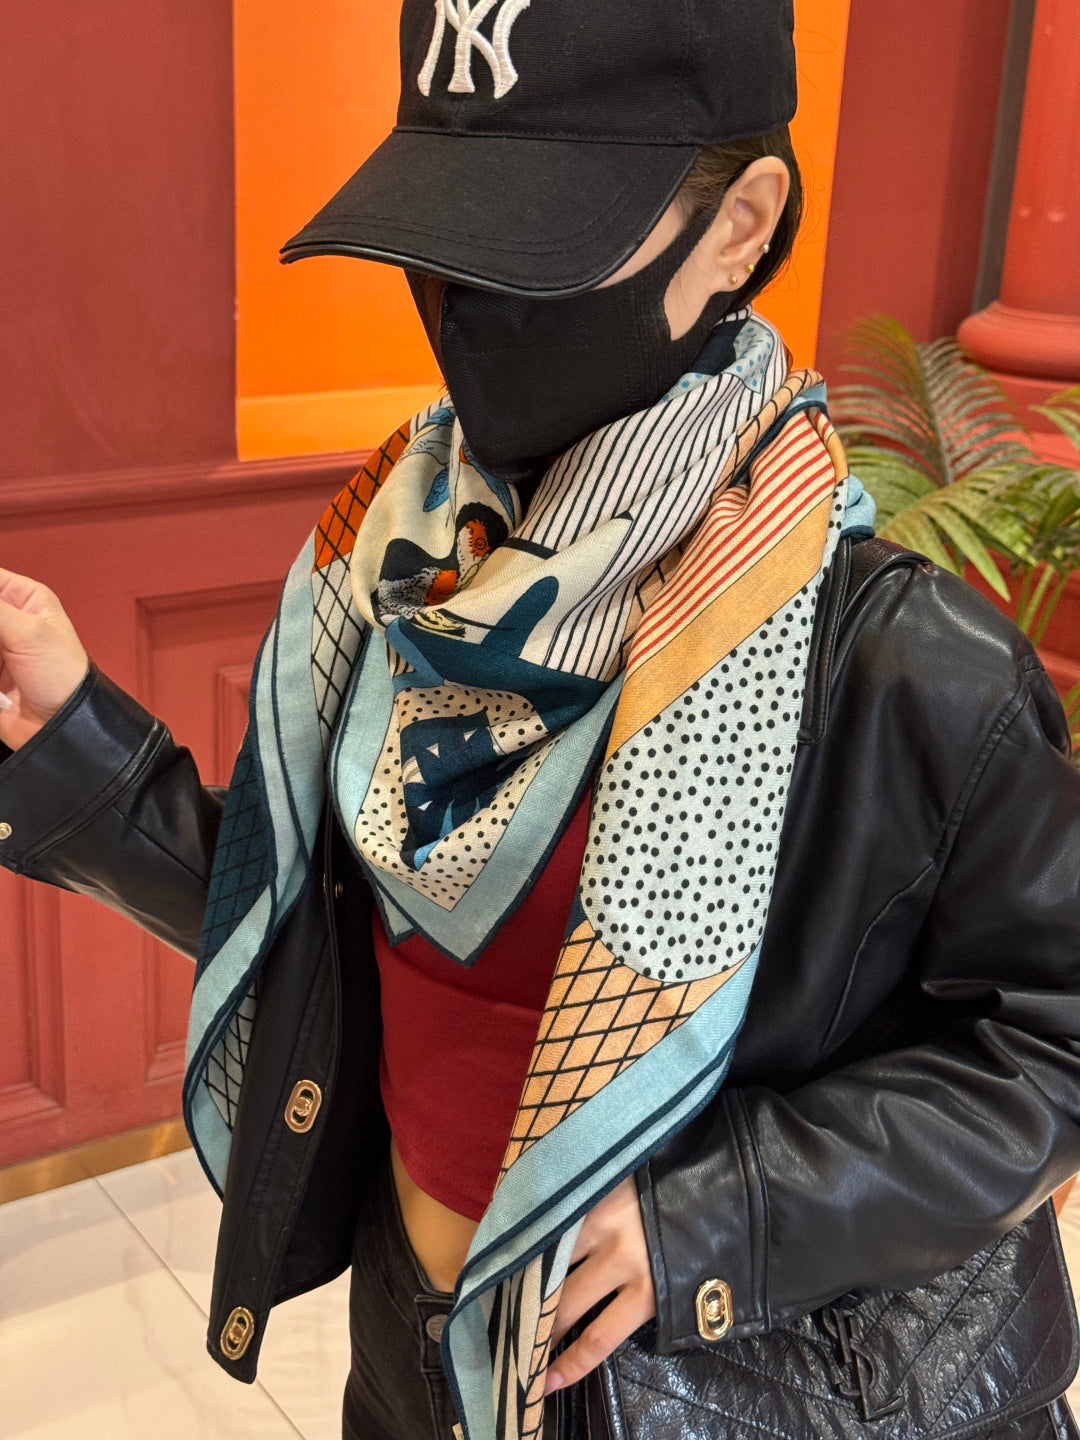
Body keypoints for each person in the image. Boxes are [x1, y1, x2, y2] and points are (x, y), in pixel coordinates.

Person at [2, 3, 1080, 1438]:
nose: (466, 299)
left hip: (722, 1395)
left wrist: (733, 1215)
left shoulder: (907, 669)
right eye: (441, 235)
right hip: (419, 1365)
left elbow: (1053, 1042)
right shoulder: (399, 569)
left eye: (536, 240)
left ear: (741, 224)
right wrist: (77, 747)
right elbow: (323, 933)